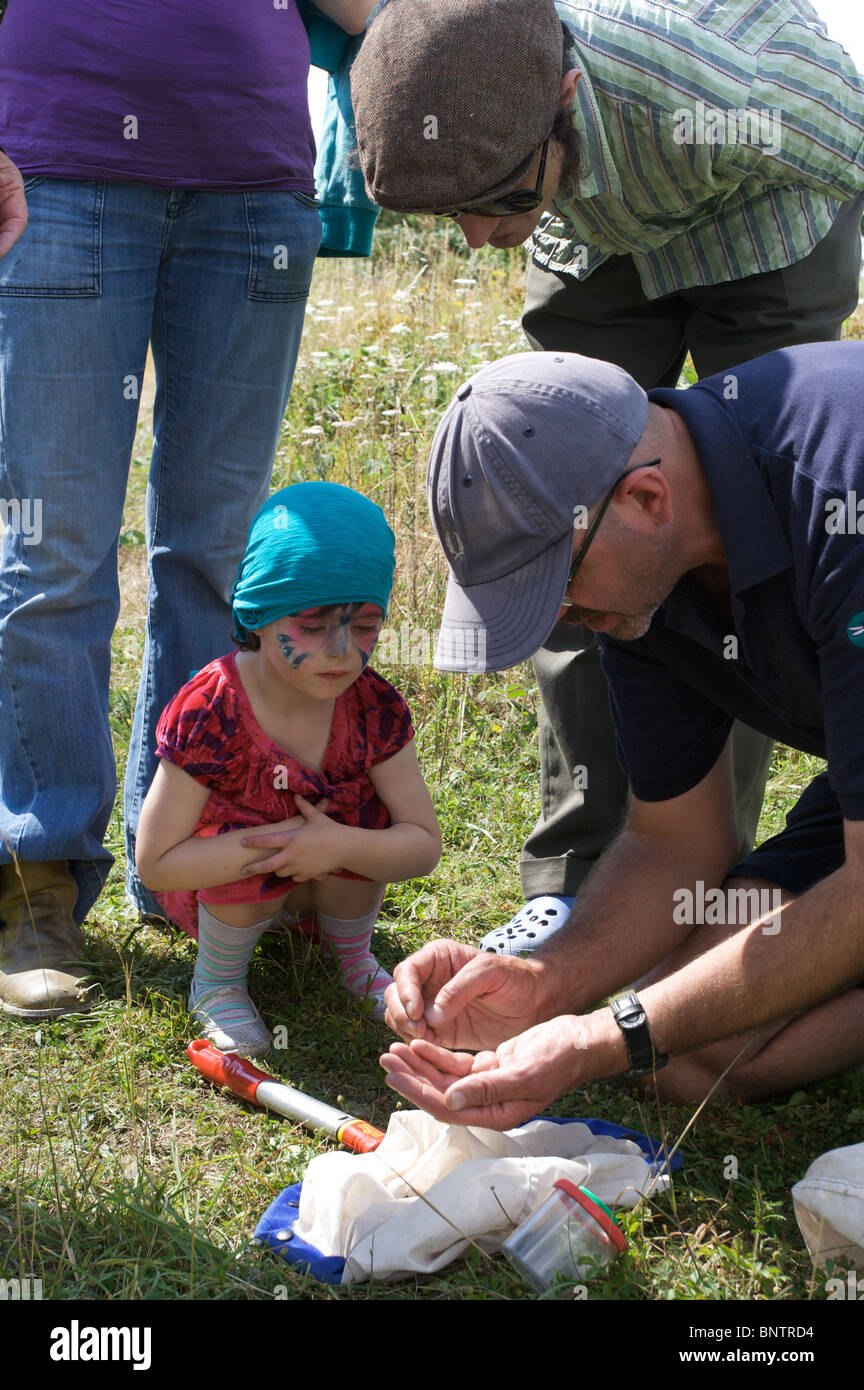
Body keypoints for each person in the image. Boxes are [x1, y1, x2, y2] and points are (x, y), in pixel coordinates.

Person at [348, 0, 864, 944]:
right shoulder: (495, 120)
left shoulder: (706, 87)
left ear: (567, 97)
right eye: (450, 213)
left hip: (764, 212)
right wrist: (510, 194)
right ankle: (576, 875)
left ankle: (702, 883)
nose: (476, 239)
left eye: (495, 199)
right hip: (596, 229)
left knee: (728, 534)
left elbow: (850, 134)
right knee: (564, 524)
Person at [0, 1, 376, 1020]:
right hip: (58, 171)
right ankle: (39, 883)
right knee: (53, 555)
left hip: (253, 191)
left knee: (217, 564)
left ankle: (193, 871)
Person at [380, 344, 864, 1128]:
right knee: (688, 1056)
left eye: (558, 585)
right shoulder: (640, 568)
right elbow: (676, 843)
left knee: (658, 1029)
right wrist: (547, 985)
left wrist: (607, 1038)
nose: (558, 617)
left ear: (647, 497)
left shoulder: (842, 502)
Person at [135, 482, 441, 1057]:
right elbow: (155, 863)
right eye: (311, 624)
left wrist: (337, 846)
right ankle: (219, 980)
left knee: (362, 819)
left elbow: (422, 845)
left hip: (321, 887)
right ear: (259, 610)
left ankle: (351, 958)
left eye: (366, 625)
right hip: (216, 891)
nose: (341, 650)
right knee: (252, 832)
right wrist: (278, 846)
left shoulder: (373, 707)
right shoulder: (213, 708)